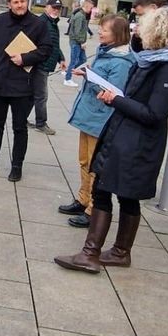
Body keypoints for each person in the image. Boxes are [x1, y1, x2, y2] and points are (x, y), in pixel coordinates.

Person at [55, 7, 168, 273]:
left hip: (137, 144)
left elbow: (154, 114)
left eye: (143, 25)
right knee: (108, 192)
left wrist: (116, 100)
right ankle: (116, 253)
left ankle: (92, 254)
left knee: (116, 195)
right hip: (123, 136)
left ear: (158, 31)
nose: (137, 29)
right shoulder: (149, 60)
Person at [58, 15, 135, 228]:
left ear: (117, 34)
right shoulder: (106, 53)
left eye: (105, 30)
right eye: (101, 29)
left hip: (100, 119)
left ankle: (92, 208)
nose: (100, 32)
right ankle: (82, 199)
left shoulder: (121, 61)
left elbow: (113, 92)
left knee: (94, 165)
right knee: (84, 160)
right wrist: (88, 74)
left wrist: (90, 78)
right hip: (89, 116)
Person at [0, 0, 52, 182]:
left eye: (22, 1)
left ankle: (17, 166)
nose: (20, 5)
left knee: (19, 128)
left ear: (27, 2)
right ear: (9, 4)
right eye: (15, 2)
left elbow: (47, 49)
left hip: (23, 85)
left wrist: (25, 58)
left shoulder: (38, 24)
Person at [29, 0, 66, 135]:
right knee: (41, 95)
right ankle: (41, 123)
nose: (56, 10)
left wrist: (60, 58)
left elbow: (53, 44)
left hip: (46, 63)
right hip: (41, 64)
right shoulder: (42, 22)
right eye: (54, 7)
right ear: (46, 7)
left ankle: (22, 119)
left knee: (34, 94)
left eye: (58, 8)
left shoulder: (52, 23)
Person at [64, 0, 93, 87]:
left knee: (83, 59)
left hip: (78, 41)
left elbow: (83, 29)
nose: (91, 10)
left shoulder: (82, 15)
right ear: (86, 6)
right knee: (74, 60)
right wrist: (81, 42)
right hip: (76, 42)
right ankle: (67, 79)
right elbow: (77, 31)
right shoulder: (80, 16)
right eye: (90, 8)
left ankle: (69, 71)